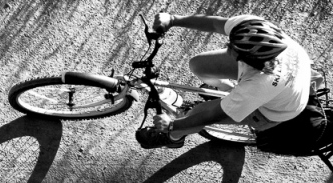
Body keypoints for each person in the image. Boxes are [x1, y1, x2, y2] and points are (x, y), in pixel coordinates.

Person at [136, 12, 319, 149]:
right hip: (275, 82)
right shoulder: (255, 30)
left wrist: (172, 124)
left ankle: (174, 138)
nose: (227, 46)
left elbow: (212, 115)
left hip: (274, 111)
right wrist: (174, 19)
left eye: (233, 49)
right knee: (198, 65)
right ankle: (229, 90)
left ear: (252, 61)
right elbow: (216, 24)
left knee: (194, 114)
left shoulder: (260, 84)